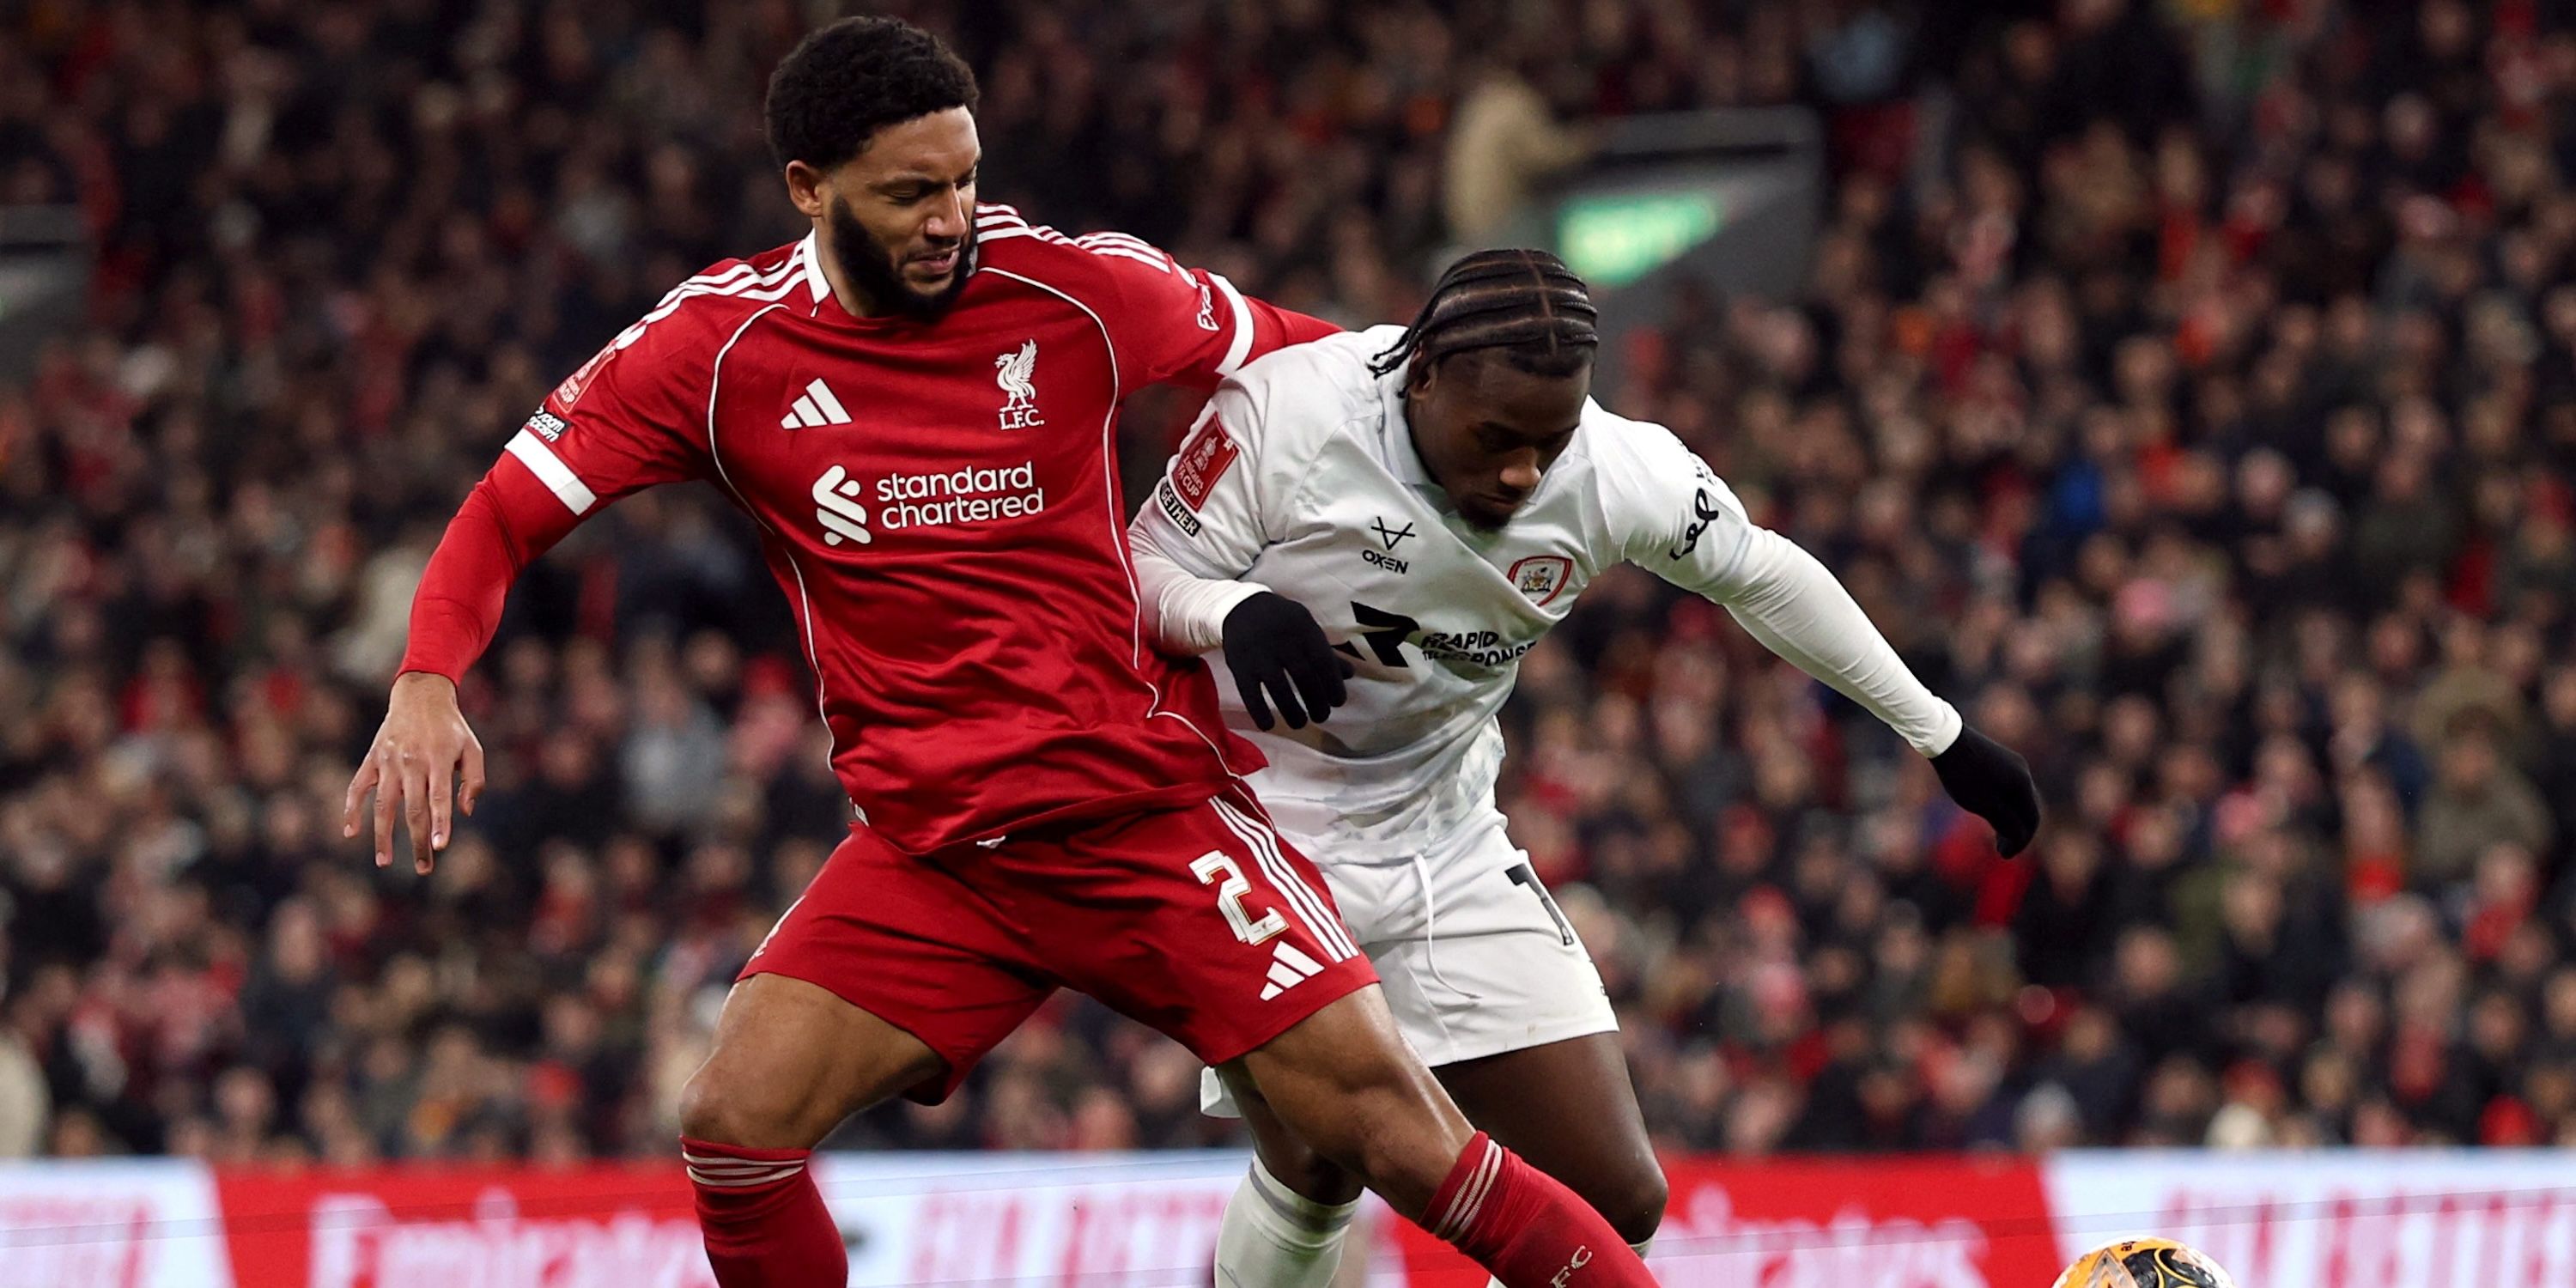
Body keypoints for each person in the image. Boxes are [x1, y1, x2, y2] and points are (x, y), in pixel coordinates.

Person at [337, 19, 1665, 1288]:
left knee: (1397, 1139)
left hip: (1139, 817)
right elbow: (509, 509)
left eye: (967, 180)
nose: (952, 217)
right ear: (810, 187)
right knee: (734, 1124)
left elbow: (1323, 368)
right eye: (913, 191)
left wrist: (1513, 475)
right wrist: (426, 679)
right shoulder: (718, 349)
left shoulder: (1076, 291)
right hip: (938, 851)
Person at [1127, 249, 2043, 1286]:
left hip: (1443, 831)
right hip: (1256, 827)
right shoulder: (1289, 414)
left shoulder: (1614, 472)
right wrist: (1231, 610)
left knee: (1619, 1196)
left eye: (1548, 442)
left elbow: (1763, 572)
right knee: (1317, 1167)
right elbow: (1139, 571)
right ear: (1421, 375)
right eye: (1497, 439)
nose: (1524, 474)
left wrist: (1942, 735)